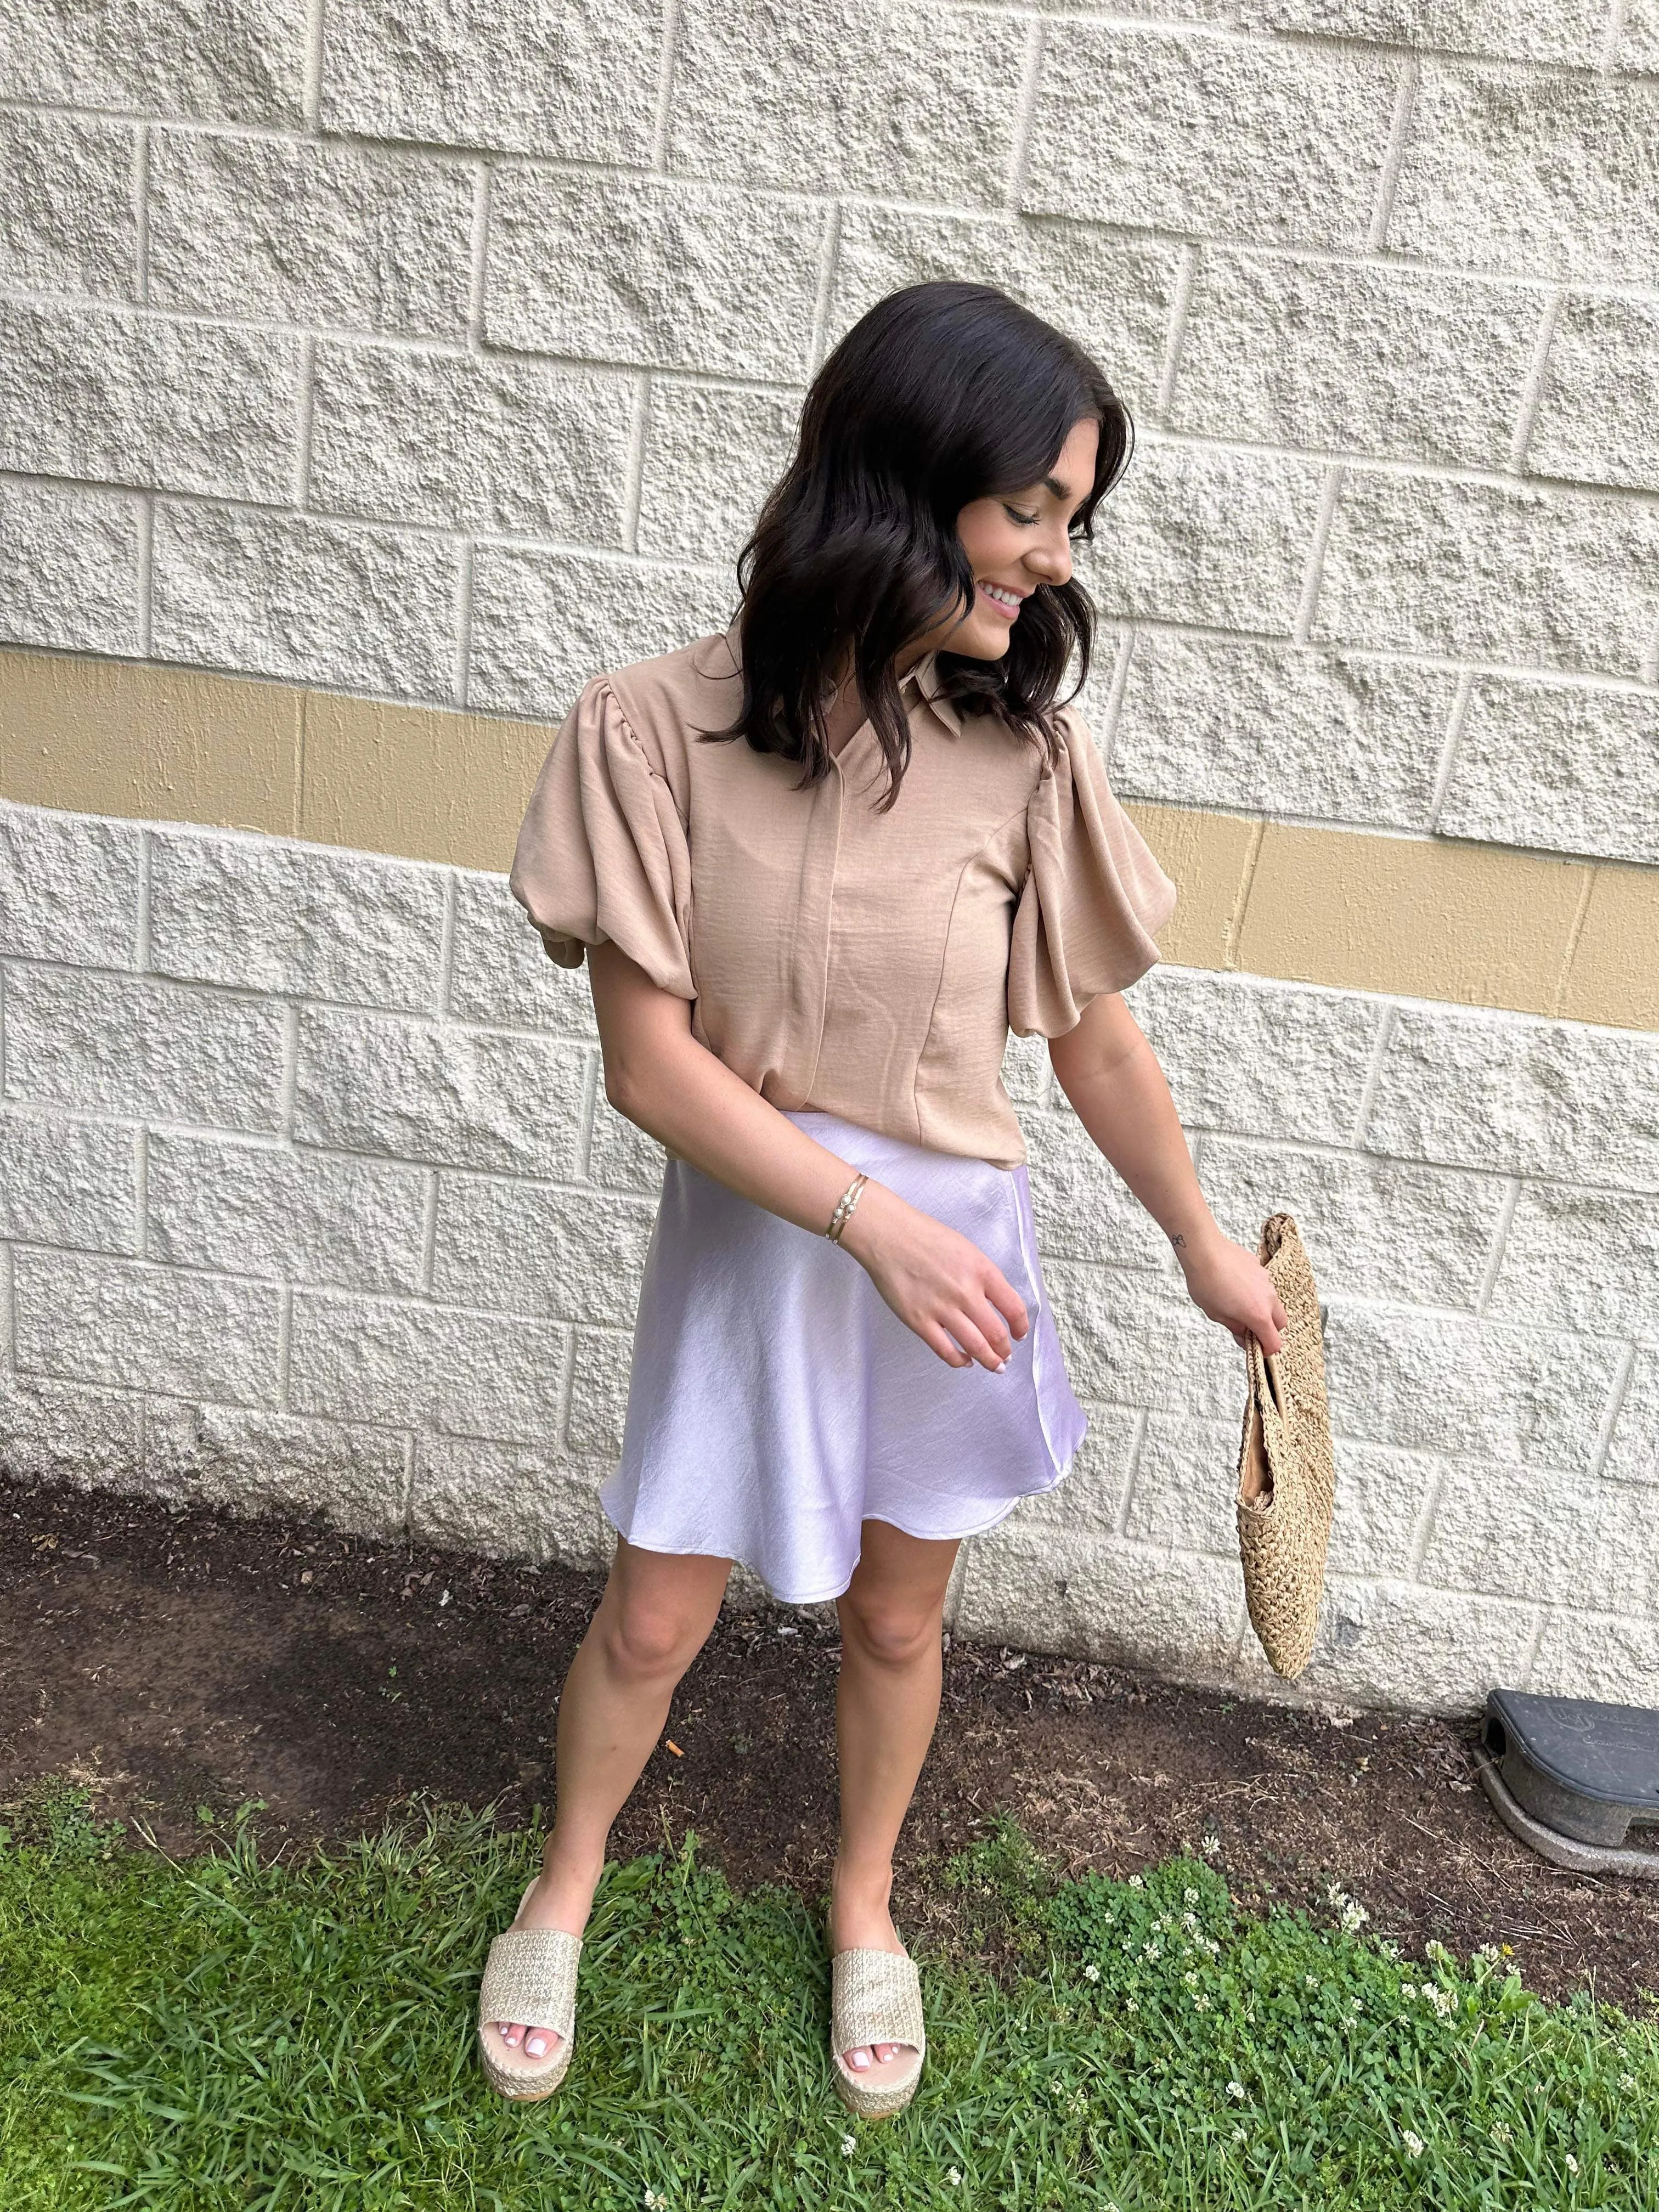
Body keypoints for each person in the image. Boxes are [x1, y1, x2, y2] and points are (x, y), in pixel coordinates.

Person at [477, 281, 1288, 2115]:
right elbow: (652, 1062)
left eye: (1075, 518)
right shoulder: (647, 730)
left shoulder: (1028, 754)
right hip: (777, 1242)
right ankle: (564, 1883)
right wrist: (867, 1218)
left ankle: (864, 1903)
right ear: (908, 486)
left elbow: (1093, 1043)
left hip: (953, 1268)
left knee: (902, 1620)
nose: (1056, 562)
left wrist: (1202, 1246)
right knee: (658, 1616)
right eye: (1036, 511)